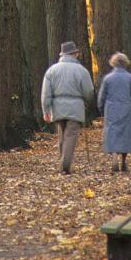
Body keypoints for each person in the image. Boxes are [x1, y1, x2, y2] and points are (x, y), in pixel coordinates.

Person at [40, 41, 95, 175]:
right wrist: (87, 101)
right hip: (75, 107)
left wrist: (46, 110)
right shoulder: (81, 71)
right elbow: (89, 91)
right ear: (74, 54)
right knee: (70, 136)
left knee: (62, 135)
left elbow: (46, 93)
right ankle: (65, 164)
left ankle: (63, 161)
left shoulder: (52, 70)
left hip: (57, 107)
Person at [98, 52, 131, 172]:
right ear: (125, 63)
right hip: (127, 108)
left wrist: (102, 110)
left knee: (112, 132)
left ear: (113, 63)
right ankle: (123, 160)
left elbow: (101, 97)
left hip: (111, 109)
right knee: (125, 134)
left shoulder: (107, 79)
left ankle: (114, 157)